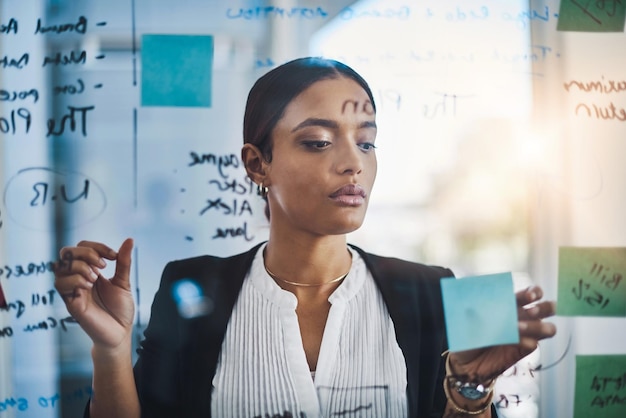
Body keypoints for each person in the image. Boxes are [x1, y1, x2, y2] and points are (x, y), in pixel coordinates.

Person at [54, 57, 557, 418]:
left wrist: (469, 387)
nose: (352, 162)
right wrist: (111, 348)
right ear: (257, 163)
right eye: (318, 142)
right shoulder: (191, 285)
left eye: (366, 141)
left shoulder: (433, 290)